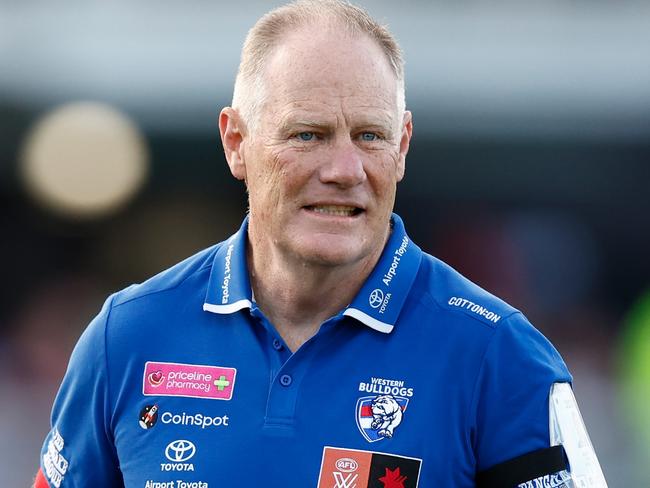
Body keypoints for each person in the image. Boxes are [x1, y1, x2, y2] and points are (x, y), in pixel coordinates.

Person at [35, 1, 608, 487]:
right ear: (237, 142)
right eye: (307, 135)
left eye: (370, 136)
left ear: (403, 146)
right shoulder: (127, 336)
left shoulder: (498, 354)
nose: (344, 169)